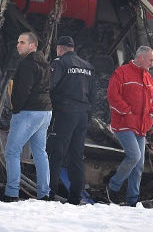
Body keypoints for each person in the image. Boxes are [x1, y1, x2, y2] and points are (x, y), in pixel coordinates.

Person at [105, 45, 153, 206]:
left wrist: (152, 114)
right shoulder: (121, 72)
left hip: (141, 127)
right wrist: (126, 112)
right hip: (124, 124)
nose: (152, 64)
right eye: (150, 60)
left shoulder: (148, 77)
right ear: (141, 58)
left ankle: (132, 201)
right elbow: (112, 95)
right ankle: (113, 187)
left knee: (139, 165)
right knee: (134, 156)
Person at [47, 36, 96, 205]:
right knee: (76, 156)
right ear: (73, 48)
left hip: (64, 113)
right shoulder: (87, 66)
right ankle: (75, 196)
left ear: (60, 48)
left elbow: (50, 86)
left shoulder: (59, 62)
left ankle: (49, 193)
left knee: (56, 154)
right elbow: (93, 95)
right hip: (82, 114)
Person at [4, 32, 52, 201]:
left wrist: (15, 108)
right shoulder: (45, 63)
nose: (18, 45)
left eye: (22, 42)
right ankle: (44, 193)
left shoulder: (26, 64)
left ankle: (11, 193)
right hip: (45, 111)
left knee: (11, 152)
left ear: (32, 46)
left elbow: (24, 89)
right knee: (40, 152)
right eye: (18, 42)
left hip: (29, 111)